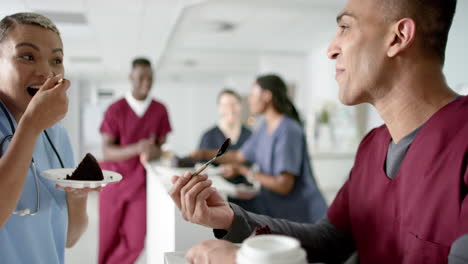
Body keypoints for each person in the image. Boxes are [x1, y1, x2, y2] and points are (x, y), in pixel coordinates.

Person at [169, 0, 468, 263]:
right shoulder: (371, 148)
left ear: (398, 37)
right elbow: (329, 240)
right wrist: (234, 219)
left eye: (345, 27)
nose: (331, 49)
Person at [0, 13, 97, 264]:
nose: (46, 72)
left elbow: (69, 238)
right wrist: (30, 126)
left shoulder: (56, 134)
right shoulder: (37, 126)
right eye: (27, 56)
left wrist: (78, 196)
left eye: (56, 60)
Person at [191, 74, 327, 223]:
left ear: (267, 95)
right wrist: (203, 153)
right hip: (279, 212)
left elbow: (284, 185)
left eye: (252, 94)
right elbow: (239, 156)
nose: (249, 99)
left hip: (304, 214)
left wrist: (243, 170)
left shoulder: (288, 130)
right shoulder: (264, 128)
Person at [99, 57, 172, 264]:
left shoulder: (160, 110)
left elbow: (161, 147)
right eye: (141, 78)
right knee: (107, 241)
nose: (146, 83)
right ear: (131, 77)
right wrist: (138, 148)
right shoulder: (116, 109)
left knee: (135, 242)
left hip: (141, 187)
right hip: (113, 184)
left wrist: (153, 152)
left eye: (150, 78)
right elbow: (107, 151)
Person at [198, 89, 259, 212]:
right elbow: (201, 169)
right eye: (225, 104)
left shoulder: (250, 135)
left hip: (249, 201)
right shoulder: (208, 136)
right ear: (219, 108)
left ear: (240, 106)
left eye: (234, 104)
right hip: (218, 200)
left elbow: (258, 166)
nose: (230, 108)